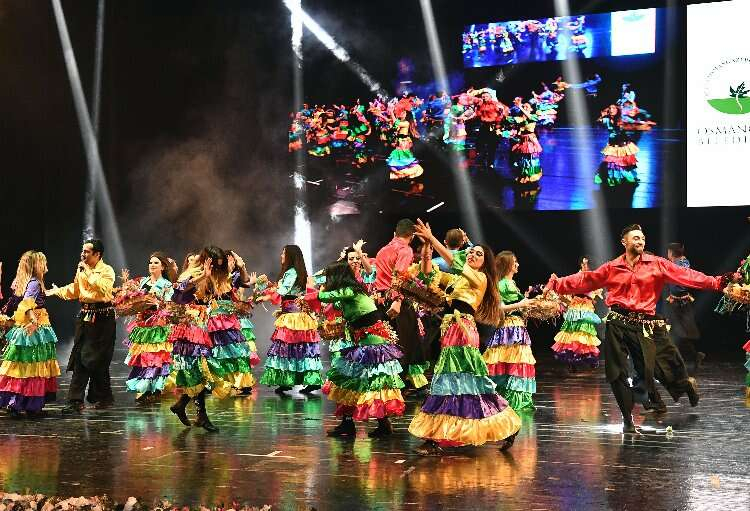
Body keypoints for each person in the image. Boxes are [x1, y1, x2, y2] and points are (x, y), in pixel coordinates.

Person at [545, 224, 735, 432]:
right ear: (624, 242)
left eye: (642, 238)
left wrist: (717, 282)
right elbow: (587, 279)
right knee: (616, 373)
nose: (640, 241)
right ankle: (628, 420)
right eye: (635, 237)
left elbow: (687, 275)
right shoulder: (612, 267)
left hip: (644, 325)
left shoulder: (657, 264)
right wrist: (557, 284)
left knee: (652, 371)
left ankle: (681, 386)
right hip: (618, 323)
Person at [408, 219, 521, 455]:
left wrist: (432, 239)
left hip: (464, 330)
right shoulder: (458, 279)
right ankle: (436, 437)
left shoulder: (481, 279)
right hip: (451, 329)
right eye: (471, 252)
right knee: (453, 383)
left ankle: (435, 440)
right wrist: (426, 249)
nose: (472, 255)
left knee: (458, 382)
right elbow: (429, 273)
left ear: (485, 262)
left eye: (479, 254)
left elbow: (453, 261)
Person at [312, 261, 405, 438]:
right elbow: (334, 305)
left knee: (372, 382)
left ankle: (380, 424)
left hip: (372, 342)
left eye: (330, 277)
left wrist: (317, 290)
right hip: (362, 341)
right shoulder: (350, 292)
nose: (328, 280)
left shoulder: (350, 290)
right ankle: (352, 424)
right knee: (351, 381)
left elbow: (324, 297)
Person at [47, 239, 116, 413]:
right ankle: (80, 400)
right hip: (85, 316)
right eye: (82, 251)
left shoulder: (106, 270)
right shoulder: (82, 269)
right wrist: (57, 291)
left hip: (102, 318)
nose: (83, 254)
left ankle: (99, 397)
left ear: (97, 254)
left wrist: (88, 271)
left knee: (96, 359)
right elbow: (76, 290)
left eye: (87, 252)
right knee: (80, 357)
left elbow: (103, 289)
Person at [0, 251, 61, 417]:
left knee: (20, 366)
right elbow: (27, 304)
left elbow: (13, 302)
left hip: (22, 326)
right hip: (33, 329)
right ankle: (29, 405)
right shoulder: (34, 282)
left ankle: (15, 403)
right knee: (33, 366)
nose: (46, 265)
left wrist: (9, 318)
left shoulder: (20, 281)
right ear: (36, 265)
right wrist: (33, 322)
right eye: (43, 262)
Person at [259, 245, 323, 395]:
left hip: (293, 317)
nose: (281, 256)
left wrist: (267, 296)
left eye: (283, 253)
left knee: (287, 348)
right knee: (300, 349)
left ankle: (289, 381)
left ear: (290, 256)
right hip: (296, 316)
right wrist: (269, 288)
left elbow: (283, 290)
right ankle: (304, 380)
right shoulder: (296, 272)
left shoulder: (291, 272)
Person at [374, 219, 429, 390]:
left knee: (388, 343)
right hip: (396, 302)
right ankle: (397, 387)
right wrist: (397, 300)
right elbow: (399, 275)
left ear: (395, 233)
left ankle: (388, 384)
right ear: (412, 236)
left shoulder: (382, 250)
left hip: (382, 301)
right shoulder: (405, 250)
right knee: (404, 344)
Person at [484, 251, 537, 411]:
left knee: (513, 362)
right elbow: (500, 308)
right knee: (513, 362)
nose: (517, 264)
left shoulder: (509, 283)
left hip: (515, 327)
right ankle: (508, 399)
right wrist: (521, 304)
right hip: (510, 328)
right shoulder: (502, 284)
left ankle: (508, 398)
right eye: (515, 262)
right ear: (508, 265)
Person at [124, 252, 175, 403]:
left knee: (156, 358)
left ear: (163, 267)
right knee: (144, 358)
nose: (152, 265)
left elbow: (170, 306)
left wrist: (157, 304)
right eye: (150, 262)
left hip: (158, 326)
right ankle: (145, 388)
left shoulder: (166, 284)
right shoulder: (143, 282)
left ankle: (155, 389)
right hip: (143, 326)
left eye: (156, 263)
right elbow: (134, 299)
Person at [551, 256, 603, 371]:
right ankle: (572, 361)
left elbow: (594, 296)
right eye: (583, 263)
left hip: (586, 307)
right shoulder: (575, 277)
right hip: (575, 306)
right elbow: (567, 291)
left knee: (585, 332)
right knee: (572, 332)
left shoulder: (593, 278)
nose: (585, 266)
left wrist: (591, 298)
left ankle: (590, 357)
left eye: (587, 264)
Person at [664, 243, 704, 373]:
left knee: (680, 334)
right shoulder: (675, 263)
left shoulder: (682, 263)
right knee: (673, 332)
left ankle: (687, 358)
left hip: (681, 303)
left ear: (671, 252)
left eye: (668, 252)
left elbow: (683, 278)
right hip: (674, 302)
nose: (667, 255)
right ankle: (684, 358)